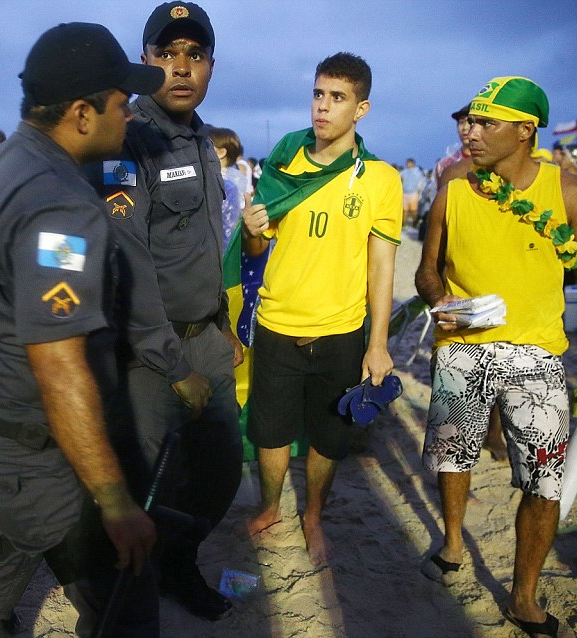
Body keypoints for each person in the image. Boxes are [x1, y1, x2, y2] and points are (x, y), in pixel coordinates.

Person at [0, 22, 163, 637]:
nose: (130, 115)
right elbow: (59, 361)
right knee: (124, 601)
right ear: (81, 113)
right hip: (39, 457)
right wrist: (116, 501)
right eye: (122, 104)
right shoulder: (58, 203)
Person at [415, 76, 577, 638]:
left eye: (486, 123)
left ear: (526, 131)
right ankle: (453, 543)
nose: (470, 133)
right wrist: (439, 298)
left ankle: (524, 595)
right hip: (463, 347)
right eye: (470, 122)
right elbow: (426, 269)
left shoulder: (569, 191)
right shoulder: (454, 186)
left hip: (539, 357)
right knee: (454, 457)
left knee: (544, 483)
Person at [91, 1, 244, 622]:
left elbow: (206, 245)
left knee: (220, 471)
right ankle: (129, 600)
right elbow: (127, 268)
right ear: (145, 61)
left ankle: (180, 563)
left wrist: (223, 328)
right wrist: (175, 365)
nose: (181, 67)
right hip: (151, 352)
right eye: (165, 54)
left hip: (206, 335)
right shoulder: (128, 141)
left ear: (210, 65)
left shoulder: (204, 140)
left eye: (195, 54)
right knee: (142, 487)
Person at [237, 52, 401, 566]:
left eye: (337, 98)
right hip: (277, 323)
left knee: (329, 439)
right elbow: (259, 252)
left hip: (342, 330)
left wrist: (377, 344)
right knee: (269, 432)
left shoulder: (380, 179)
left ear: (361, 109)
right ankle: (268, 507)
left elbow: (381, 267)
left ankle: (312, 516)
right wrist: (251, 232)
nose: (323, 108)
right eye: (318, 94)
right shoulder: (284, 164)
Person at [400, 157, 425, 225]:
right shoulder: (403, 172)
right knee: (404, 210)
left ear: (413, 163)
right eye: (407, 163)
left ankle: (415, 223)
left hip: (413, 193)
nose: (408, 164)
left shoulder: (417, 172)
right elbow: (400, 179)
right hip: (405, 193)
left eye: (410, 163)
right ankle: (403, 224)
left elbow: (422, 183)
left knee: (413, 210)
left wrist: (419, 192)